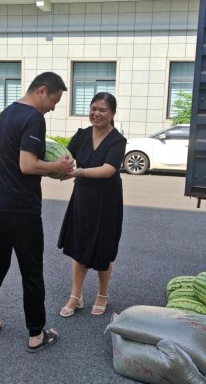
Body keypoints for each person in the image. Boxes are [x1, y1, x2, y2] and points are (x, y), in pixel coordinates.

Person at [0, 72, 74, 353]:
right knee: (32, 272)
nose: (53, 107)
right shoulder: (34, 118)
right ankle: (36, 335)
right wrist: (57, 167)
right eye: (54, 101)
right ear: (42, 90)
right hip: (20, 209)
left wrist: (51, 168)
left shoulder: (7, 113)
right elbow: (27, 165)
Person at [57, 92, 127, 317]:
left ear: (112, 113)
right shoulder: (82, 134)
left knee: (103, 247)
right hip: (83, 197)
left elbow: (108, 169)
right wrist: (54, 168)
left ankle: (102, 293)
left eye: (102, 110)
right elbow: (66, 158)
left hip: (107, 199)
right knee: (79, 245)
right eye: (93, 108)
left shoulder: (117, 140)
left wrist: (79, 172)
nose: (96, 113)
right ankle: (75, 296)